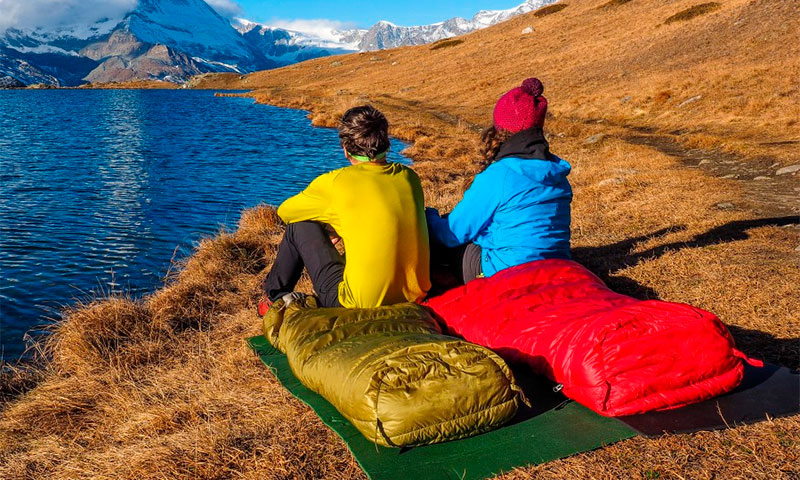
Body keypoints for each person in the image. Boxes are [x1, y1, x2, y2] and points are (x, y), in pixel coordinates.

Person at [258, 105, 431, 314]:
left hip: (358, 304)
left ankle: (273, 297)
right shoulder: (409, 177)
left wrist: (330, 224)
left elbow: (285, 212)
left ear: (345, 149)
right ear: (386, 142)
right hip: (415, 295)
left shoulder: (336, 183)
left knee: (299, 225)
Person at [426, 78, 572, 284]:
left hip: (504, 272)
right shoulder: (556, 171)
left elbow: (453, 234)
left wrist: (429, 217)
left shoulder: (499, 175)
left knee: (451, 244)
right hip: (557, 264)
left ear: (500, 128)